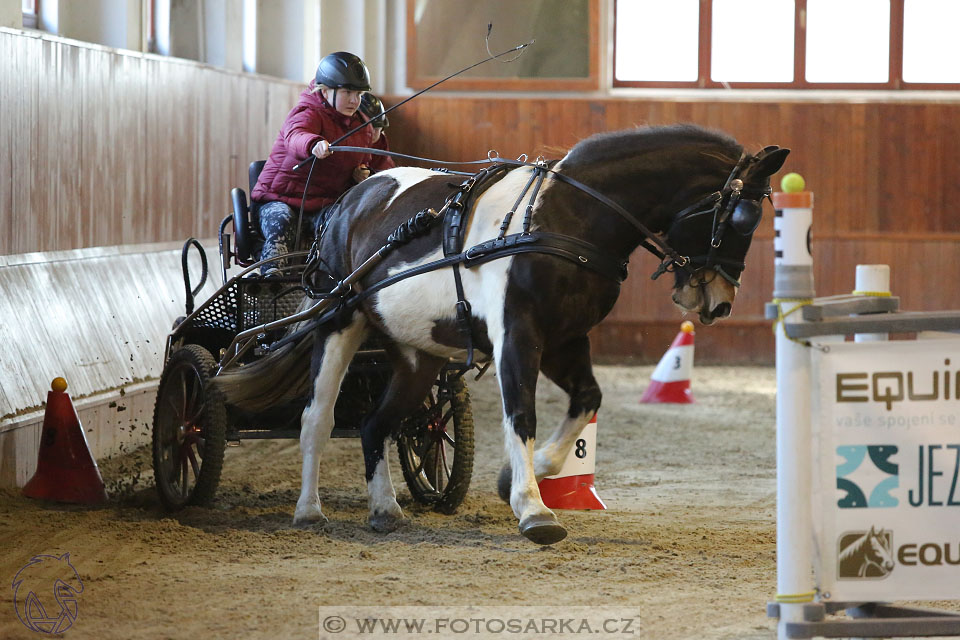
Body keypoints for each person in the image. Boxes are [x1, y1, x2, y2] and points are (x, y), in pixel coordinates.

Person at [251, 51, 394, 276]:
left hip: (323, 204)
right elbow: (295, 135)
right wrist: (313, 143)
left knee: (342, 223)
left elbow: (367, 160)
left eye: (358, 94)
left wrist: (363, 173)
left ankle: (330, 279)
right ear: (325, 90)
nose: (355, 100)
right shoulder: (308, 112)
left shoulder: (363, 127)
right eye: (348, 92)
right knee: (282, 221)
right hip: (279, 199)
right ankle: (270, 278)